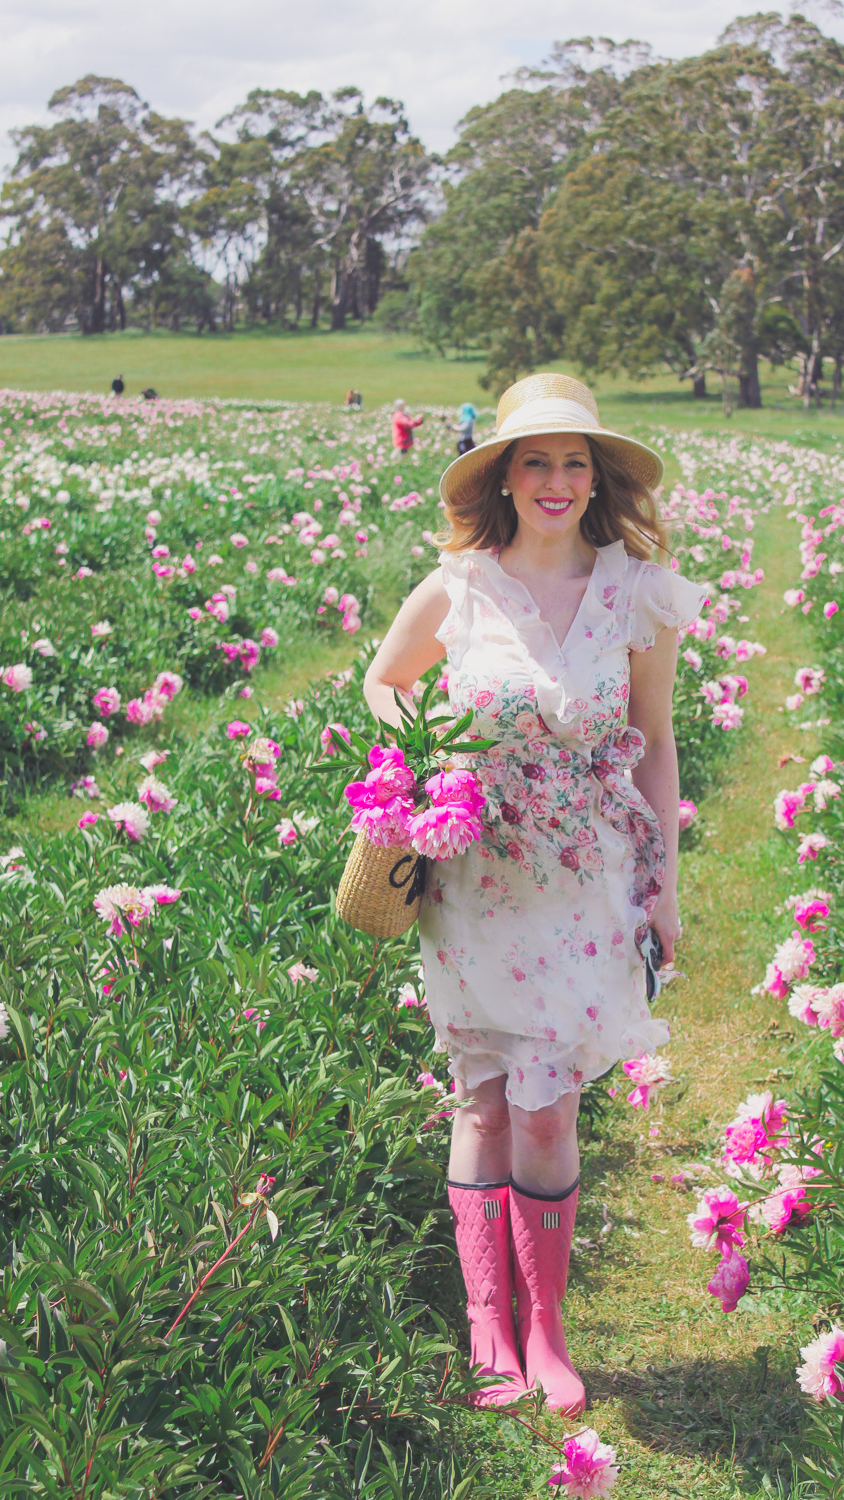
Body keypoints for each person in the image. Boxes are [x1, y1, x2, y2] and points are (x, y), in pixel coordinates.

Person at [363, 373, 708, 1415]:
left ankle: (547, 1331)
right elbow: (382, 679)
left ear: (595, 480)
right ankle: (486, 1325)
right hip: (475, 876)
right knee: (480, 1093)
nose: (555, 481)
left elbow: (656, 743)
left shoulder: (638, 590)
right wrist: (421, 763)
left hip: (589, 880)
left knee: (549, 1114)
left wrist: (664, 890)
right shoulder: (459, 585)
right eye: (535, 461)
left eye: (574, 463)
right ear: (502, 477)